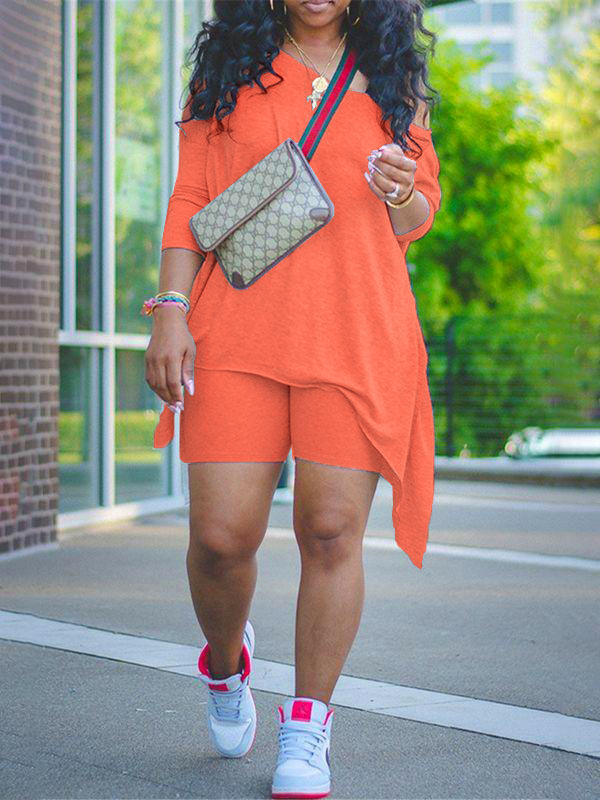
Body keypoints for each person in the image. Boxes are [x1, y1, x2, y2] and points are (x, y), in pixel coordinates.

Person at [144, 1, 441, 797]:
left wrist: (401, 191)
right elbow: (190, 197)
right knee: (220, 538)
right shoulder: (228, 70)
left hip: (356, 332)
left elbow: (419, 213)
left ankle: (308, 727)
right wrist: (170, 311)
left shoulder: (394, 77)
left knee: (331, 529)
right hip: (236, 326)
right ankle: (225, 662)